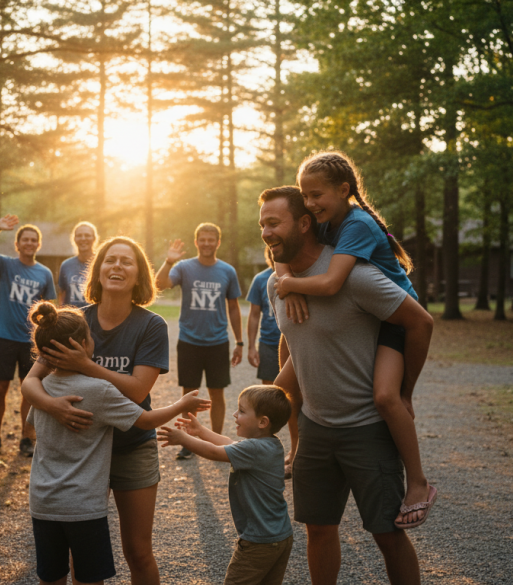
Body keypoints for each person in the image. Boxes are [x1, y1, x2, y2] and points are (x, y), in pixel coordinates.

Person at [259, 186, 435, 585]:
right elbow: (294, 338)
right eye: (262, 225)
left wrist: (405, 389)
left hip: (368, 430)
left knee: (388, 535)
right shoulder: (277, 285)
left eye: (274, 223)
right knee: (318, 530)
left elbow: (420, 321)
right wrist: (274, 392)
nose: (266, 232)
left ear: (305, 223)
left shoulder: (356, 277)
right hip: (315, 431)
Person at [26, 301, 210, 585]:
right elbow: (146, 420)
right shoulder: (98, 391)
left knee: (51, 577)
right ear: (85, 343)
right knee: (90, 578)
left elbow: (30, 427)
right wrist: (180, 405)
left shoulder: (44, 388)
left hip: (43, 502)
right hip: (83, 506)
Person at [22, 236, 169, 585]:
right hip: (80, 457)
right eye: (110, 260)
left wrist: (86, 365)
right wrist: (52, 406)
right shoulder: (75, 321)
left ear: (139, 276)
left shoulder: (151, 325)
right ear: (98, 270)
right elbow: (30, 382)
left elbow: (137, 391)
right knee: (79, 554)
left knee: (138, 551)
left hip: (131, 446)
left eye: (126, 262)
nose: (117, 266)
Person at [158, 386, 294, 585]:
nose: (234, 414)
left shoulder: (254, 448)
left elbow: (215, 452)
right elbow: (229, 444)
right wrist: (201, 431)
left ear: (262, 422)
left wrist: (184, 439)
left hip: (259, 541)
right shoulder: (270, 444)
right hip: (281, 536)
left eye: (241, 411)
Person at [155, 223, 244, 459]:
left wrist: (240, 342)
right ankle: (189, 441)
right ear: (196, 242)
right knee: (190, 395)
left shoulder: (227, 271)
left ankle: (216, 442)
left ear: (218, 242)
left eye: (210, 239)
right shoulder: (184, 267)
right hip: (189, 341)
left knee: (217, 393)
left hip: (217, 342)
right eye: (202, 239)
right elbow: (160, 284)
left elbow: (234, 308)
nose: (206, 243)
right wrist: (169, 261)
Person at [0, 215, 57, 459]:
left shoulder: (44, 273)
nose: (29, 243)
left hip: (31, 342)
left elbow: (49, 310)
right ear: (17, 244)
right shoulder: (5, 265)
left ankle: (25, 438)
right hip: (4, 337)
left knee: (28, 391)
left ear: (38, 245)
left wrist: (47, 340)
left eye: (33, 240)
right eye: (25, 240)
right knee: (0, 388)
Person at [246, 246, 282, 385]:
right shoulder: (260, 279)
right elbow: (254, 315)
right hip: (268, 343)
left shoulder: (297, 275)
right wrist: (251, 347)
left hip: (293, 344)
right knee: (269, 390)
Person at [57, 221, 98, 308]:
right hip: (72, 318)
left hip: (94, 317)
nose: (83, 238)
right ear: (74, 239)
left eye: (87, 235)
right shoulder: (66, 265)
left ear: (94, 238)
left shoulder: (101, 264)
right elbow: (62, 295)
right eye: (79, 235)